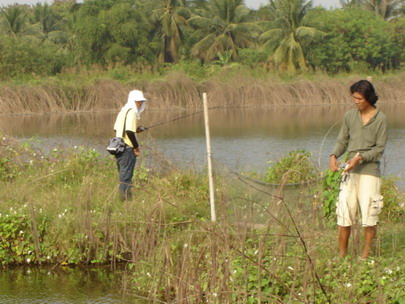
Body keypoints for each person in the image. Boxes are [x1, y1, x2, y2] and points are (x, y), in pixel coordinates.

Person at [329, 80, 388, 259]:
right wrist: (333, 156)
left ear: (369, 98)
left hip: (369, 172)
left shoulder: (381, 119)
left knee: (369, 216)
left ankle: (364, 257)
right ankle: (342, 256)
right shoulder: (349, 116)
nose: (356, 101)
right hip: (349, 172)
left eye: (359, 98)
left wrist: (360, 157)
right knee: (344, 214)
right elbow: (342, 141)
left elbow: (379, 150)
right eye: (354, 98)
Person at [113, 90, 147, 200]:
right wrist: (136, 148)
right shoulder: (132, 111)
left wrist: (135, 130)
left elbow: (117, 129)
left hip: (118, 148)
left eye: (141, 101)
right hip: (127, 149)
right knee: (126, 177)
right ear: (133, 101)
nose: (140, 103)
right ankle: (125, 201)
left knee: (123, 175)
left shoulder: (123, 111)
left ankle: (125, 199)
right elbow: (128, 132)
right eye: (138, 101)